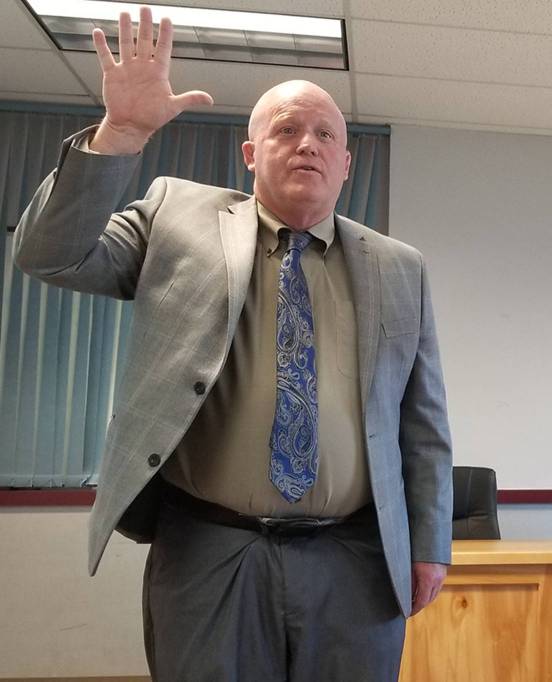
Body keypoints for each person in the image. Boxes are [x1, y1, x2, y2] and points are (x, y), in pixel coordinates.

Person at [14, 7, 452, 681]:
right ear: (250, 154)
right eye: (286, 129)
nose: (307, 143)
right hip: (210, 552)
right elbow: (51, 256)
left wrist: (431, 543)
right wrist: (122, 133)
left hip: (356, 560)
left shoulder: (400, 267)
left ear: (346, 163)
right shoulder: (175, 215)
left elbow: (423, 424)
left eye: (325, 134)